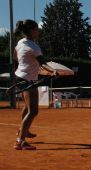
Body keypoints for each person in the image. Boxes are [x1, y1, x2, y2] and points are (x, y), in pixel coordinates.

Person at [13, 20, 57, 150]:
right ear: (32, 30)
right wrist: (53, 71)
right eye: (37, 29)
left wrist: (21, 68)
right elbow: (43, 63)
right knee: (33, 111)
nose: (38, 31)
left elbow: (15, 57)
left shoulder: (20, 42)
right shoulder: (34, 46)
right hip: (27, 80)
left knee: (27, 107)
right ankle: (20, 141)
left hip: (19, 77)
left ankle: (23, 131)